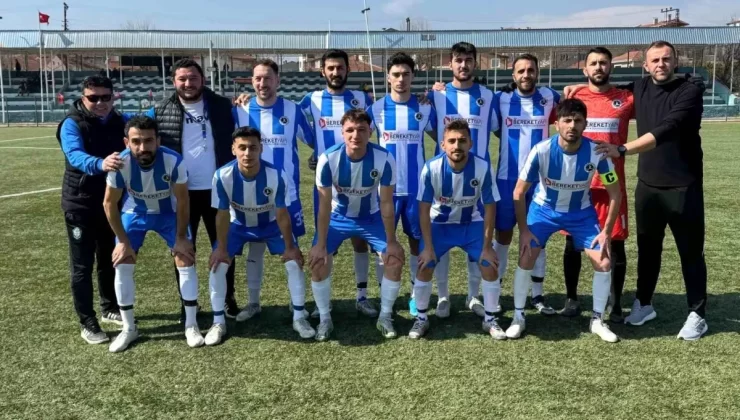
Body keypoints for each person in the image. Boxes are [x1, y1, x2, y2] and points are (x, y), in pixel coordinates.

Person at [236, 49, 377, 318]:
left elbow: (312, 137)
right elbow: (313, 138)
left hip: (354, 179)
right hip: (319, 185)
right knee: (284, 241)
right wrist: (321, 157)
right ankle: (263, 302)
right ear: (322, 71)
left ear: (348, 69)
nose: (335, 72)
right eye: (330, 68)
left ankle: (360, 296)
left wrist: (426, 96)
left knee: (359, 239)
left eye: (340, 67)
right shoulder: (308, 101)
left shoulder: (361, 99)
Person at [590, 41, 708, 340]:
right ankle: (643, 303)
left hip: (683, 186)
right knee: (648, 250)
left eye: (666, 59)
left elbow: (668, 128)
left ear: (675, 61)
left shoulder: (689, 91)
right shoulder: (639, 88)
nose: (660, 64)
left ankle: (697, 313)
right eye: (654, 60)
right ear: (645, 65)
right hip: (648, 186)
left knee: (690, 253)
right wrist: (575, 89)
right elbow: (604, 90)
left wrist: (622, 149)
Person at [508, 99, 621, 342]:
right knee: (526, 256)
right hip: (543, 212)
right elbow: (518, 192)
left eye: (577, 121)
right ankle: (518, 317)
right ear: (556, 124)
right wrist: (524, 230)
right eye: (567, 120)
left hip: (581, 214)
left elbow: (615, 192)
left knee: (603, 262)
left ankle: (597, 320)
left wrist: (606, 231)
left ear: (585, 124)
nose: (572, 125)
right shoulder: (541, 151)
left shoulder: (597, 153)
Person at [144, 58, 240, 319]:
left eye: (193, 78)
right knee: (183, 248)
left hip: (217, 190)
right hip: (181, 193)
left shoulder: (223, 106)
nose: (188, 83)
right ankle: (189, 303)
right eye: (182, 79)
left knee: (224, 246)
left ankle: (227, 297)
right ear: (173, 81)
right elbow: (137, 133)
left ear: (203, 80)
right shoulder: (159, 110)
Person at [102, 116, 202, 353]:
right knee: (122, 262)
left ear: (158, 141)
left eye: (148, 141)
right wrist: (122, 241)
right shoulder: (121, 163)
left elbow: (183, 200)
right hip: (135, 213)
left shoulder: (173, 161)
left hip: (169, 214)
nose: (142, 147)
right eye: (136, 141)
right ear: (127, 142)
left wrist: (181, 238)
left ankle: (191, 324)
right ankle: (129, 328)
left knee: (185, 258)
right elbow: (109, 203)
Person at [207, 127, 315, 344]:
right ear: (233, 149)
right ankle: (218, 322)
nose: (247, 153)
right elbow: (221, 214)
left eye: (253, 148)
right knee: (218, 265)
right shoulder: (222, 176)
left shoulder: (276, 175)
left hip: (271, 225)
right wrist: (221, 248)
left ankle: (299, 316)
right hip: (238, 225)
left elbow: (282, 214)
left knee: (294, 263)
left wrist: (290, 247)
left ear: (261, 149)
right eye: (242, 148)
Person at [308, 109, 405, 341]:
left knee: (394, 259)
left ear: (370, 132)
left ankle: (385, 316)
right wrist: (320, 245)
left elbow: (386, 202)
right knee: (318, 261)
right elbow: (323, 206)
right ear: (342, 133)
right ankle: (325, 318)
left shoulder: (384, 158)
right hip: (337, 218)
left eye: (361, 130)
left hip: (370, 217)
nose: (355, 135)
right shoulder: (328, 159)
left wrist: (391, 241)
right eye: (350, 130)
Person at [232, 59, 314, 321]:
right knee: (255, 248)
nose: (262, 83)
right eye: (257, 78)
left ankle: (296, 304)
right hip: (251, 193)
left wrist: (318, 159)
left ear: (278, 80)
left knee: (291, 247)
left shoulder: (292, 109)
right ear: (251, 81)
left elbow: (314, 140)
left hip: (287, 195)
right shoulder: (241, 110)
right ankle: (253, 303)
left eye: (267, 78)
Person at [560, 47, 634, 322]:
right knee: (572, 243)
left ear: (611, 67)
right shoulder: (574, 97)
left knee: (615, 243)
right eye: (593, 63)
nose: (598, 67)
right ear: (585, 69)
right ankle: (572, 298)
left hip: (612, 185)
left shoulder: (626, 98)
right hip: (578, 185)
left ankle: (616, 304)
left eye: (603, 63)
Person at [411, 120, 502, 339]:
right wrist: (428, 248)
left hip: (471, 224)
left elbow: (490, 208)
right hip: (439, 225)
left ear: (470, 143)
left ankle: (490, 319)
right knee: (425, 264)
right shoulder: (431, 168)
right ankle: (421, 318)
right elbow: (423, 210)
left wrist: (487, 247)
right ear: (442, 144)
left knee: (489, 263)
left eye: (462, 140)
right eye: (451, 141)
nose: (457, 146)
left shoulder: (482, 167)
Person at [428, 42, 499, 318]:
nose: (463, 65)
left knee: (477, 236)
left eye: (468, 60)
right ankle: (443, 296)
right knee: (441, 236)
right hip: (444, 178)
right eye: (458, 60)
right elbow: (431, 129)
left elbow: (497, 129)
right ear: (450, 64)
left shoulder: (488, 96)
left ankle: (473, 295)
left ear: (475, 63)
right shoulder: (437, 95)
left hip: (478, 180)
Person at [491, 54, 560, 317]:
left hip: (540, 181)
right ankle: (496, 291)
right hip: (507, 179)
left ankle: (537, 295)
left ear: (537, 73)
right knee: (503, 236)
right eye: (521, 71)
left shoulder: (549, 96)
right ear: (513, 75)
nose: (526, 75)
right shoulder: (500, 98)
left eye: (531, 70)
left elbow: (573, 98)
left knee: (537, 236)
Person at [367, 52, 436, 316]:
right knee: (382, 243)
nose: (401, 79)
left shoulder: (424, 108)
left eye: (406, 74)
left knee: (417, 242)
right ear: (387, 77)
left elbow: (441, 138)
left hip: (417, 191)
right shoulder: (376, 109)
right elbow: (358, 140)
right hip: (386, 192)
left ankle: (415, 293)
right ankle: (384, 293)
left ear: (413, 77)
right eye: (396, 74)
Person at [57, 75, 124, 345]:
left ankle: (110, 307)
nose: (100, 102)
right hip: (80, 203)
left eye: (105, 97)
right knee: (82, 266)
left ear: (113, 97)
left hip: (110, 203)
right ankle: (87, 321)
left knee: (109, 258)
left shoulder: (120, 120)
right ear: (83, 97)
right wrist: (100, 164)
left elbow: (147, 124)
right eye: (93, 98)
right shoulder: (71, 123)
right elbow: (74, 155)